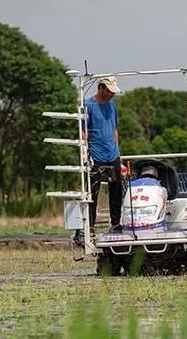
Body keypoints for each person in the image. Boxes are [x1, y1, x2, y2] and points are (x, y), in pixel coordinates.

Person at [83, 76, 123, 235]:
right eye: (109, 92)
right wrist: (85, 153)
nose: (112, 95)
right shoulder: (88, 105)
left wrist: (118, 152)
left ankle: (116, 223)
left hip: (112, 154)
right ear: (101, 89)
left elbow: (114, 130)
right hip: (96, 154)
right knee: (93, 191)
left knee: (116, 190)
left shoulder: (112, 105)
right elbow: (83, 130)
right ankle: (90, 226)